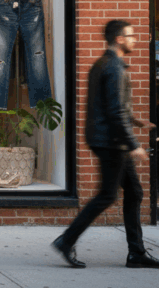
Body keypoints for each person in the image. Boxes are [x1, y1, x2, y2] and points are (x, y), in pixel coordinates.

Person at [51, 20, 159, 269]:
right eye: (131, 36)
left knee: (134, 192)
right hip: (112, 142)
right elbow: (114, 111)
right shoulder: (113, 67)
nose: (135, 40)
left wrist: (135, 121)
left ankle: (136, 253)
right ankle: (66, 240)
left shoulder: (104, 64)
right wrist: (133, 144)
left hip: (108, 139)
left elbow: (112, 105)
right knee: (107, 195)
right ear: (119, 39)